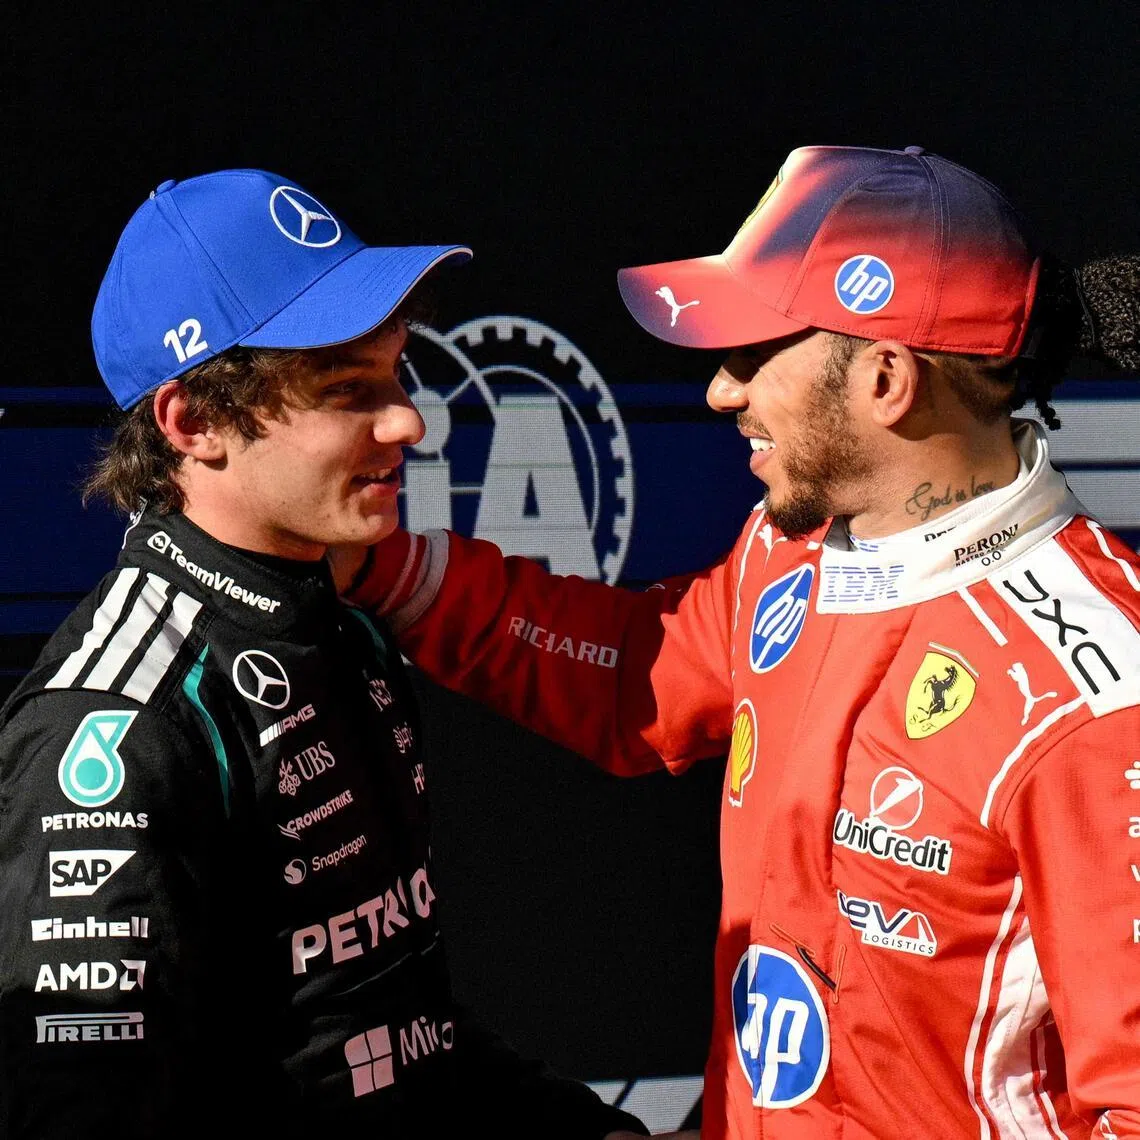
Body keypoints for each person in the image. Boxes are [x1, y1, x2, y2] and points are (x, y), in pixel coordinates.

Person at [339, 146, 1140, 1138]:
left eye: (754, 354)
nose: (721, 391)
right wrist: (379, 571)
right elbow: (642, 679)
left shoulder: (1097, 701)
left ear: (886, 378)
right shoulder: (789, 548)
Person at [0, 169, 652, 1139]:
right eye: (349, 390)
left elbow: (387, 1025)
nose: (409, 420)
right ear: (194, 422)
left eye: (397, 373)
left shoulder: (345, 628)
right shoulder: (120, 725)